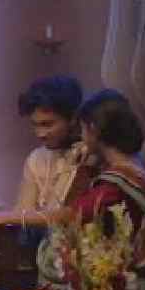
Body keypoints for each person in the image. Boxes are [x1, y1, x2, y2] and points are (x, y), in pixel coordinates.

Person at [0, 90, 145, 287]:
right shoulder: (118, 167)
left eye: (82, 129)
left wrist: (1, 217)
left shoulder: (120, 178)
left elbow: (71, 214)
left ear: (93, 130)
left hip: (126, 287)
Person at [14, 75, 89, 214]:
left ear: (73, 118)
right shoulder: (37, 159)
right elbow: (23, 214)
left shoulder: (88, 156)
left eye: (47, 124)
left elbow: (69, 217)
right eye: (34, 124)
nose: (39, 134)